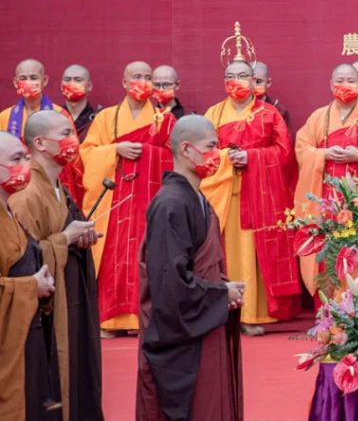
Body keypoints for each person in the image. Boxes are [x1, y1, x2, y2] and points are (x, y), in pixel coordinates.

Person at [136, 115, 244, 420]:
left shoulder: (196, 198)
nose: (217, 155)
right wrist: (220, 293)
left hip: (203, 321)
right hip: (185, 335)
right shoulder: (171, 203)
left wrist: (223, 289)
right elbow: (169, 282)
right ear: (185, 149)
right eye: (210, 147)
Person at [10, 112, 102, 420]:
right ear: (39, 142)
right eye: (65, 133)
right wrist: (65, 239)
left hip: (69, 297)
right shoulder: (27, 194)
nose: (73, 140)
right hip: (44, 315)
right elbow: (23, 261)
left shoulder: (57, 186)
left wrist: (80, 237)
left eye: (73, 133)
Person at [201, 60, 300, 335]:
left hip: (261, 194)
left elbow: (285, 154)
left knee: (254, 251)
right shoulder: (213, 114)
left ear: (253, 79)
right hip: (223, 194)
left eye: (243, 75)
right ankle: (223, 311)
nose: (237, 81)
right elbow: (202, 151)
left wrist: (252, 157)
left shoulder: (269, 114)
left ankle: (252, 313)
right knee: (225, 250)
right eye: (230, 75)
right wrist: (226, 157)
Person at [81, 61, 175, 335]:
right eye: (136, 76)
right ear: (124, 82)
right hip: (114, 198)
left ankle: (141, 317)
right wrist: (115, 149)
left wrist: (148, 152)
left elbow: (175, 157)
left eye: (147, 77)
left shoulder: (164, 119)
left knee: (147, 253)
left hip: (149, 198)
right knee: (113, 255)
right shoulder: (106, 118)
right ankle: (110, 319)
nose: (142, 82)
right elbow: (86, 153)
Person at [294, 64, 358, 293]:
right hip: (324, 199)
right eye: (340, 80)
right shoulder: (318, 117)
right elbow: (302, 149)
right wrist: (323, 154)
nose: (345, 85)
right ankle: (328, 306)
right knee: (327, 254)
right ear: (331, 84)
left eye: (351, 80)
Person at [0, 131, 61, 420]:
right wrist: (30, 286)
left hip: (26, 333)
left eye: (26, 157)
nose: (25, 166)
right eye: (16, 159)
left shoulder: (9, 211)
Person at [1, 59, 84, 206]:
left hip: (52, 182)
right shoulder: (4, 117)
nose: (28, 82)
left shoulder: (60, 115)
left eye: (33, 78)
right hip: (17, 186)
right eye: (23, 78)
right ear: (15, 82)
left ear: (44, 80)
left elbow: (73, 157)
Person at [60, 64, 98, 143]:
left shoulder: (98, 118)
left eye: (78, 80)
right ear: (61, 86)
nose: (71, 84)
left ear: (89, 86)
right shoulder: (54, 117)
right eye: (67, 80)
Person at [252, 61, 290, 130]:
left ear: (268, 83)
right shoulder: (237, 107)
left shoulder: (279, 110)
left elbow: (283, 136)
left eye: (258, 81)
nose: (253, 86)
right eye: (250, 81)